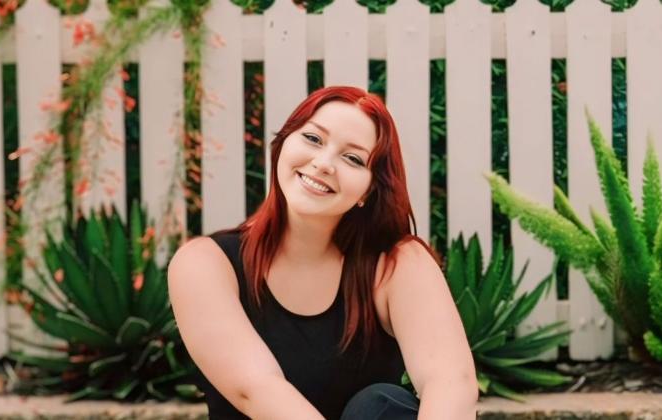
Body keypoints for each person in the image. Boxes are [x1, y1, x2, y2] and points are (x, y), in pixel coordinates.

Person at [168, 86, 478, 419]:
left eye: (353, 158)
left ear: (369, 190)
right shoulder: (206, 264)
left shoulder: (396, 265)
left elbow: (450, 382)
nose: (324, 163)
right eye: (314, 139)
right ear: (283, 144)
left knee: (379, 406)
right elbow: (255, 389)